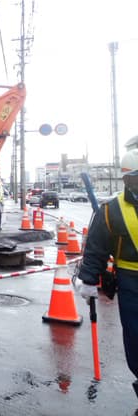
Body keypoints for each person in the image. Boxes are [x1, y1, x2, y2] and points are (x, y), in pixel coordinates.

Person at [78, 148, 138, 398]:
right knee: (135, 335)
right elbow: (96, 248)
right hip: (130, 282)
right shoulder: (112, 210)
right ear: (127, 179)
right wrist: (89, 280)